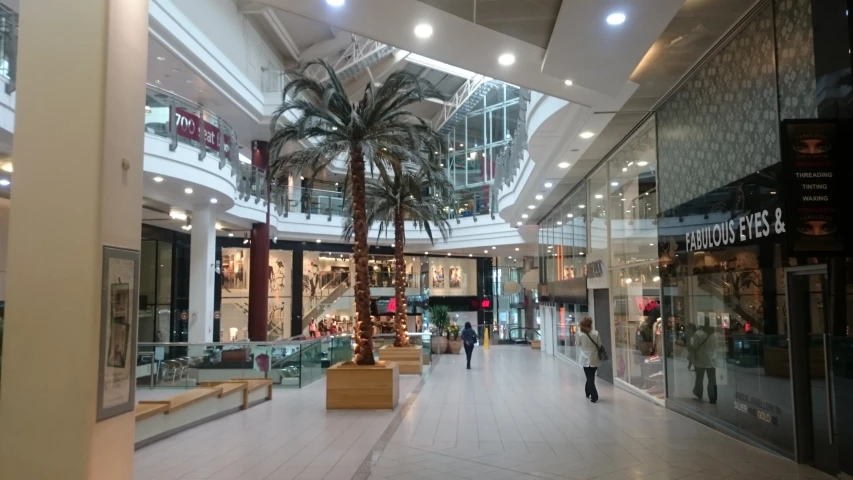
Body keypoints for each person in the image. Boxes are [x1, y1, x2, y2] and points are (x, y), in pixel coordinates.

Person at [577, 316, 602, 403]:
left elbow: (577, 344)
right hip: (594, 357)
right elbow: (599, 344)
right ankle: (588, 392)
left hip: (584, 358)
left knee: (589, 377)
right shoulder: (596, 333)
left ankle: (594, 396)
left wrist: (584, 348)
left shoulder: (579, 334)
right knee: (591, 377)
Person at [691, 324, 717, 404]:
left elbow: (694, 346)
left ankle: (699, 393)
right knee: (712, 380)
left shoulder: (698, 333)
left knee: (699, 378)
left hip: (700, 359)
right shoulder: (713, 334)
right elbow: (716, 346)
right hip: (712, 359)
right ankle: (712, 397)